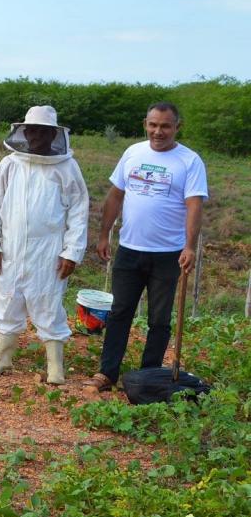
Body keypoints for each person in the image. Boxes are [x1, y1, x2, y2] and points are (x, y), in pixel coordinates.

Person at [83, 102, 208, 392]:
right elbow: (115, 196)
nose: (158, 131)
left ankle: (148, 376)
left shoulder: (189, 161)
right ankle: (107, 373)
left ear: (177, 127)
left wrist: (189, 246)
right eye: (153, 124)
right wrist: (104, 235)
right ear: (145, 124)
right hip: (129, 249)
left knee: (159, 319)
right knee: (120, 312)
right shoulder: (132, 153)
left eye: (165, 125)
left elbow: (194, 206)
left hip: (168, 255)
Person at [0, 106, 89, 385]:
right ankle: (3, 359)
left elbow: (79, 211)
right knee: (6, 300)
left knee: (48, 303)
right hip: (10, 249)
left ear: (54, 134)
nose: (37, 135)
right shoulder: (10, 164)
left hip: (49, 251)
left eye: (44, 131)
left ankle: (55, 367)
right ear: (24, 132)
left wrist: (71, 252)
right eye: (33, 130)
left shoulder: (66, 167)